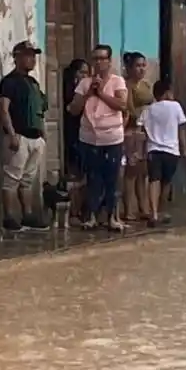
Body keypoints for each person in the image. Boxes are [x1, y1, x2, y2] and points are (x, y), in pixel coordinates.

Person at [68, 43, 129, 231]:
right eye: (95, 58)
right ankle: (92, 216)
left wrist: (101, 93)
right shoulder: (84, 83)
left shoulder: (117, 82)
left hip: (112, 138)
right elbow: (74, 109)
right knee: (92, 178)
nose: (99, 62)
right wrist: (89, 93)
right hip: (89, 138)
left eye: (103, 58)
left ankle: (112, 217)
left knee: (111, 179)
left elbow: (122, 105)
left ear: (109, 61)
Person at [0, 40, 49, 232]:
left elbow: (40, 109)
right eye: (27, 55)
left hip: (34, 138)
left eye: (33, 56)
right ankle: (9, 217)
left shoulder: (33, 83)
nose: (31, 59)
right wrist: (11, 134)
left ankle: (28, 215)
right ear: (17, 57)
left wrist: (42, 134)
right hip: (19, 136)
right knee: (12, 178)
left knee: (27, 179)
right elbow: (3, 109)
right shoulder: (9, 82)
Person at [142, 79, 186, 226]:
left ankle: (154, 213)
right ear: (167, 92)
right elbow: (181, 130)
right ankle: (161, 210)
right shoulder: (176, 106)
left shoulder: (148, 110)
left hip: (153, 150)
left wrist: (139, 150)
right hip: (171, 151)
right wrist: (185, 150)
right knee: (166, 181)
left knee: (153, 180)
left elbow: (141, 130)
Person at [121, 52, 154, 224]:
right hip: (132, 132)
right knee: (131, 173)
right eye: (137, 66)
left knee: (143, 172)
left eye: (143, 65)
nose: (141, 69)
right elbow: (129, 110)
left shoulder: (146, 85)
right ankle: (128, 209)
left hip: (146, 133)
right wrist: (140, 118)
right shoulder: (127, 86)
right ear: (130, 68)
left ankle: (143, 207)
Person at [61, 58, 89, 219]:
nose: (84, 75)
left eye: (86, 72)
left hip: (86, 133)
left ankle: (81, 207)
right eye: (81, 72)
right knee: (75, 172)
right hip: (72, 132)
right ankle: (74, 207)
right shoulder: (71, 90)